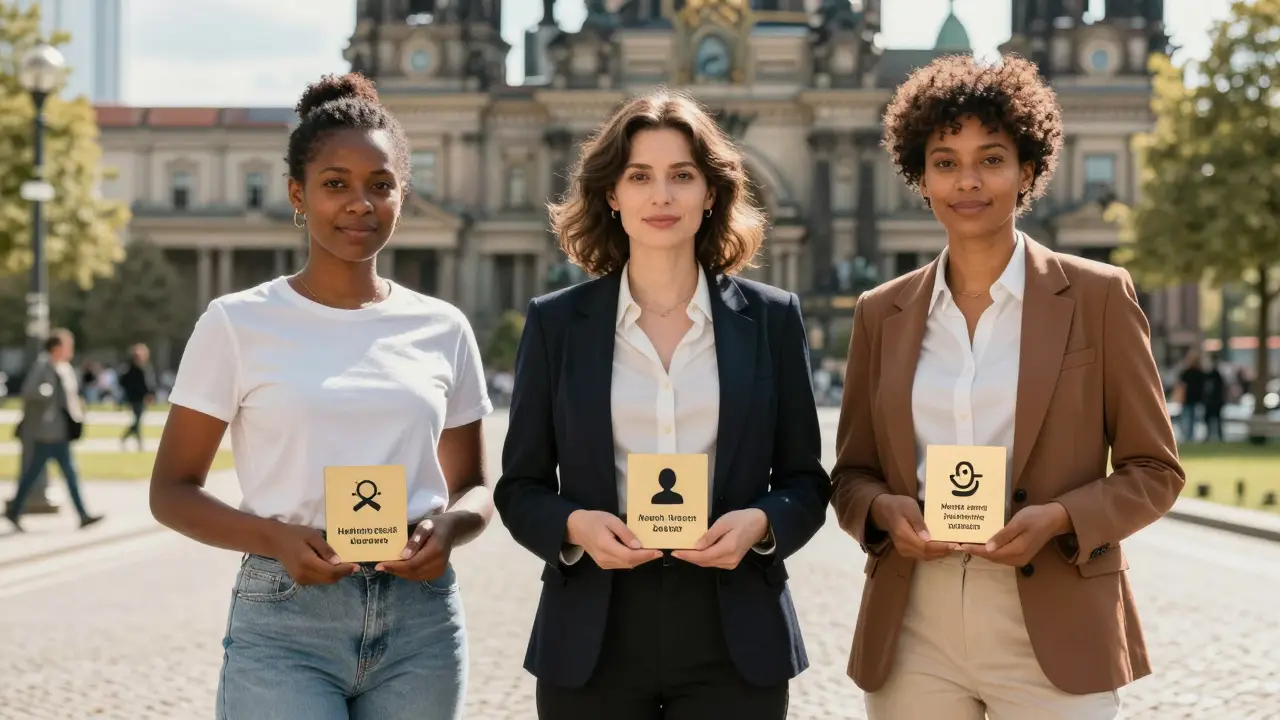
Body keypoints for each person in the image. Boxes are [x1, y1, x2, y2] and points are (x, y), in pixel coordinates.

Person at [830, 54, 1185, 720]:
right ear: (921, 178)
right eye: (945, 162)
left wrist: (1061, 519)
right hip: (913, 631)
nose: (968, 181)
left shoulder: (1099, 296)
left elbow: (1154, 471)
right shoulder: (880, 312)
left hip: (1054, 624)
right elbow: (852, 475)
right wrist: (882, 513)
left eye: (991, 159)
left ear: (1026, 172)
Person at [149, 72, 493, 720]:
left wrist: (449, 528)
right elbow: (171, 491)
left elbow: (474, 484)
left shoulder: (444, 327)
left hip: (421, 623)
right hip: (285, 620)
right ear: (297, 195)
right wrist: (276, 539)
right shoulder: (238, 322)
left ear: (401, 195)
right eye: (336, 184)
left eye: (380, 186)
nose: (360, 204)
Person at [494, 88, 831, 719]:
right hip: (593, 634)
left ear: (712, 194)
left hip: (735, 635)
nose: (662, 196)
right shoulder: (556, 324)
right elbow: (521, 488)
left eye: (683, 175)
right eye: (639, 176)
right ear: (612, 196)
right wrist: (573, 527)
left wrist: (761, 525)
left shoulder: (772, 320)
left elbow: (805, 483)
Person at [4, 329, 102, 531]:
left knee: (54, 474)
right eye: (67, 345)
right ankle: (82, 514)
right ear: (57, 347)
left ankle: (15, 511)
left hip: (60, 431)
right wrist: (44, 392)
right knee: (46, 474)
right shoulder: (43, 365)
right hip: (46, 432)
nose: (70, 350)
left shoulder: (64, 368)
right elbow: (29, 392)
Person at [119, 343, 156, 451]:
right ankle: (137, 441)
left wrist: (150, 394)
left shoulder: (145, 367)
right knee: (138, 420)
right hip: (135, 398)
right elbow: (126, 382)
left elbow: (149, 383)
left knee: (137, 420)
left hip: (142, 397)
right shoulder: (131, 369)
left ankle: (129, 438)